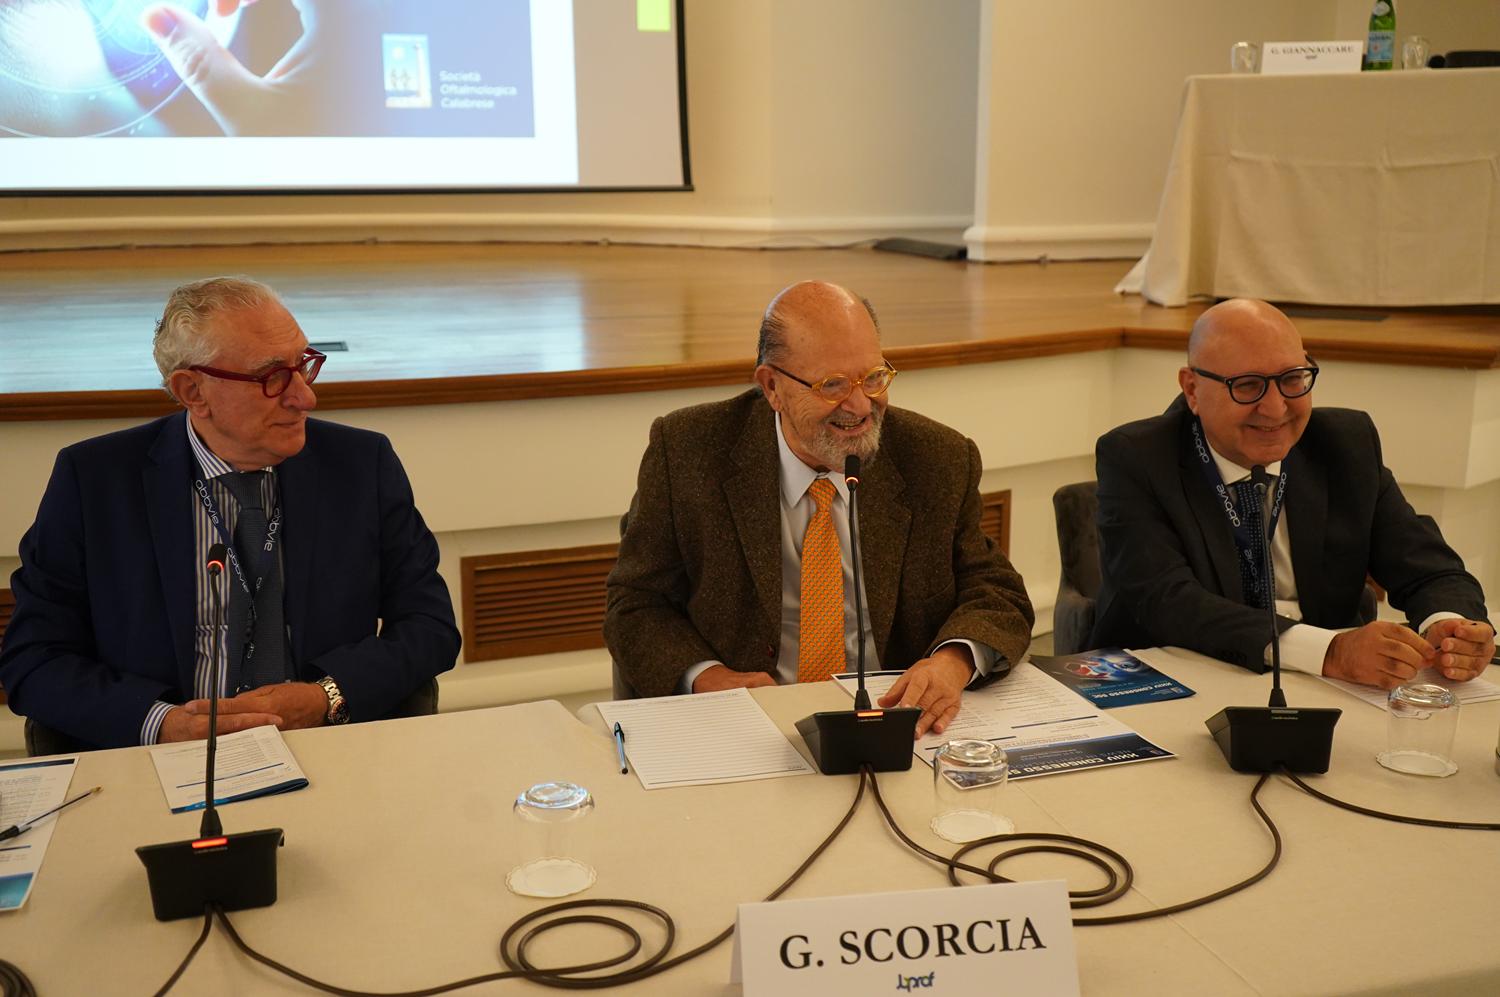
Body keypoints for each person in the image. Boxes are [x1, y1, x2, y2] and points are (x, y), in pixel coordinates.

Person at [1, 276, 460, 750]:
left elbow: (430, 627)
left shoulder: (361, 465)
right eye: (272, 377)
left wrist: (325, 696)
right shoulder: (94, 480)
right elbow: (33, 659)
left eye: (303, 365)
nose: (305, 397)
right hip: (160, 757)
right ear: (193, 391)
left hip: (326, 744)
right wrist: (163, 724)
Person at [604, 280, 1034, 737]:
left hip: (897, 726)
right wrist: (708, 678)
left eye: (873, 378)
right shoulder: (688, 451)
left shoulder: (936, 459)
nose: (860, 406)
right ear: (772, 387)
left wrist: (952, 662)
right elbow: (636, 604)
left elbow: (997, 592)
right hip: (747, 729)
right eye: (832, 385)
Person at [1091, 298, 1493, 689]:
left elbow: (1428, 567)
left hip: (1324, 688)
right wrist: (1330, 651)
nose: (1275, 407)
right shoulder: (1137, 458)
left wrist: (1452, 627)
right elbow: (1168, 602)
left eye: (1291, 379)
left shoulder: (1345, 445)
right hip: (1176, 682)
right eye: (1248, 385)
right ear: (1192, 389)